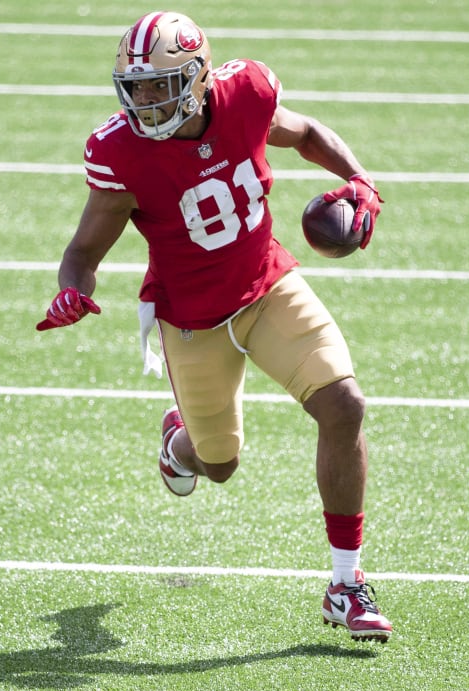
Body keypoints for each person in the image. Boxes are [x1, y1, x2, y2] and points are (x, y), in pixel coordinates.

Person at [36, 11, 391, 643]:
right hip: (192, 320)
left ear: (198, 79)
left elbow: (303, 131)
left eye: (159, 84)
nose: (145, 100)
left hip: (268, 286)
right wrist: (71, 292)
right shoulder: (120, 152)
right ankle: (178, 444)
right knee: (218, 465)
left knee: (345, 405)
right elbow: (82, 253)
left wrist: (357, 179)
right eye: (135, 86)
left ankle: (346, 583)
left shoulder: (246, 94)